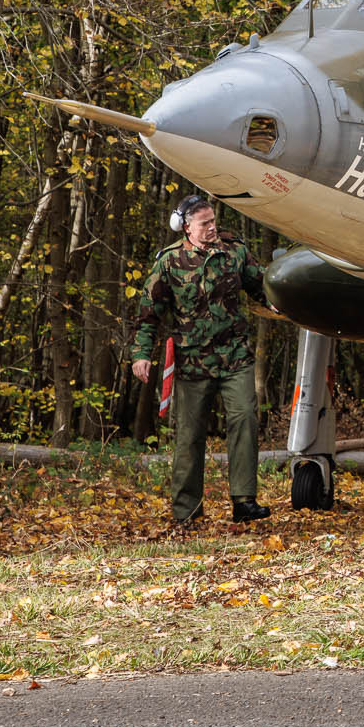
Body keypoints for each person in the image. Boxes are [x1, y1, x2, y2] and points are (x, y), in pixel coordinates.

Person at [129, 195, 271, 524]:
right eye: (204, 223)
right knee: (190, 436)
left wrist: (283, 303)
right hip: (193, 362)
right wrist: (140, 355)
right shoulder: (170, 261)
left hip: (235, 356)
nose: (212, 227)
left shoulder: (234, 251)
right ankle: (186, 511)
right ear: (186, 227)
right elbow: (149, 314)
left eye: (213, 221)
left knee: (244, 420)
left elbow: (260, 285)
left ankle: (244, 501)